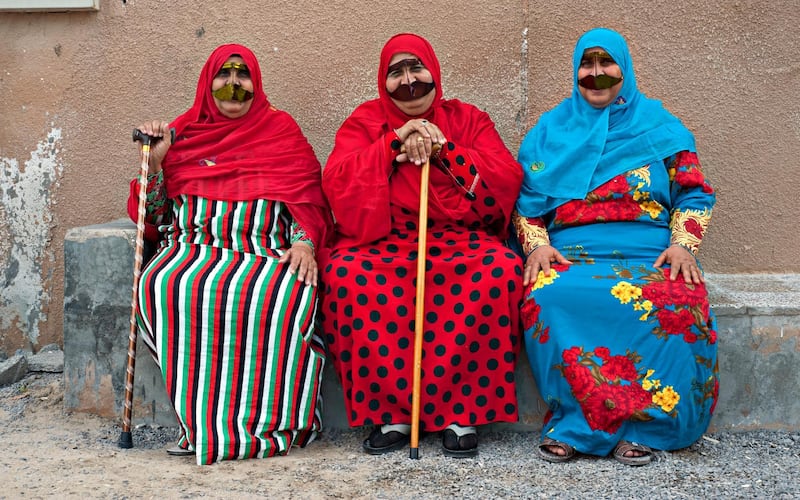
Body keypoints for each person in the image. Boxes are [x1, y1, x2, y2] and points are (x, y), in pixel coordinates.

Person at [513, 27, 718, 466]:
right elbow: (526, 203)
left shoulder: (661, 128)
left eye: (606, 63)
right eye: (587, 64)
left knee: (677, 296)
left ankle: (645, 429)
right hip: (573, 253)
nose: (596, 73)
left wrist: (684, 245)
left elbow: (694, 193)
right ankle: (576, 425)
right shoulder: (551, 132)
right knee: (548, 294)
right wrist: (536, 246)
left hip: (651, 252)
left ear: (624, 68)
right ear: (575, 72)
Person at [126, 44, 332, 465]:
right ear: (208, 83)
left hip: (264, 250)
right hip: (192, 248)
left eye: (243, 76)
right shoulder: (181, 132)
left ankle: (274, 424)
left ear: (256, 85)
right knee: (164, 284)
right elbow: (155, 216)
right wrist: (156, 164)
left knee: (282, 293)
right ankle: (203, 426)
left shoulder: (280, 130)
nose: (233, 84)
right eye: (224, 75)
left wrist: (305, 242)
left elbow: (307, 198)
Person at [320, 33, 524, 458]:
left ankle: (461, 412)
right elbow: (338, 181)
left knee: (499, 270)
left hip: (459, 240)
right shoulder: (364, 121)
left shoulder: (469, 119)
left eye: (416, 68)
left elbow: (504, 176)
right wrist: (392, 144)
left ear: (433, 71)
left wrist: (445, 149)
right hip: (383, 239)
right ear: (382, 80)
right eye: (396, 72)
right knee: (345, 274)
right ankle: (392, 412)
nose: (409, 81)